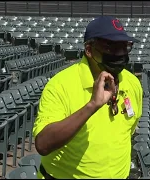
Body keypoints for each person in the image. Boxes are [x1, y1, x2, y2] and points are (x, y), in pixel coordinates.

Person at [32, 16, 143, 179]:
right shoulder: (61, 85)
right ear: (89, 50)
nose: (119, 54)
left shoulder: (132, 83)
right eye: (110, 47)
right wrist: (92, 106)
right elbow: (43, 144)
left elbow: (127, 132)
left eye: (124, 47)